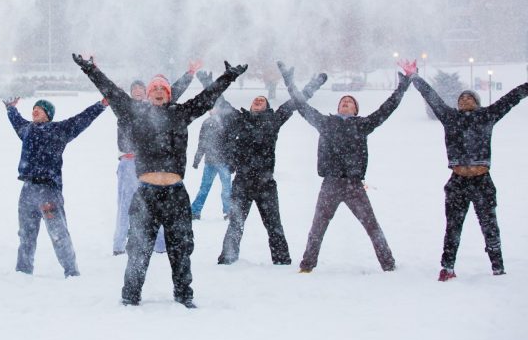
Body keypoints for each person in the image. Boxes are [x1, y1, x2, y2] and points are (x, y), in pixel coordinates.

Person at [75, 54, 246, 308]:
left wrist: (228, 76)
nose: (157, 91)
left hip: (175, 193)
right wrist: (91, 70)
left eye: (162, 89)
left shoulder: (180, 113)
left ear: (168, 94)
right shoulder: (137, 113)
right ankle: (130, 296)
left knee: (181, 248)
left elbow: (206, 98)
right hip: (146, 194)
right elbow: (112, 91)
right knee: (138, 249)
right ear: (149, 93)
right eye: (153, 88)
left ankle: (184, 295)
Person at [278, 60, 410, 274]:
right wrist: (289, 83)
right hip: (330, 183)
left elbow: (387, 109)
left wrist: (402, 86)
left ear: (356, 110)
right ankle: (307, 265)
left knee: (372, 226)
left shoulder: (362, 124)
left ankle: (388, 264)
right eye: (343, 101)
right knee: (317, 228)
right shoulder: (325, 123)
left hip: (354, 185)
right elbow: (301, 105)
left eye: (350, 101)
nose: (346, 103)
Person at [403, 59, 528, 281]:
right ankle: (447, 268)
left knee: (490, 227)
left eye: (470, 97)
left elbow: (511, 98)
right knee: (453, 228)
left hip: (482, 181)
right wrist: (414, 77)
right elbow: (431, 97)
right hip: (457, 182)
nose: (465, 99)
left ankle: (498, 268)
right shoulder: (450, 117)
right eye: (462, 98)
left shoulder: (487, 115)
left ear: (478, 103)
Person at [199, 70, 327, 266]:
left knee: (274, 224)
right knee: (236, 223)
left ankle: (281, 259)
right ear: (250, 106)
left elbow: (297, 102)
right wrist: (207, 80)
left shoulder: (274, 119)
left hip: (266, 183)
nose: (258, 101)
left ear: (267, 107)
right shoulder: (239, 119)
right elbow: (220, 101)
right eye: (256, 100)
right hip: (242, 181)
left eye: (262, 100)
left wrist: (315, 82)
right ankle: (228, 258)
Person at [4, 96, 106, 277]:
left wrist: (101, 105)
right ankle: (23, 271)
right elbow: (16, 120)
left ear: (48, 114)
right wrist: (11, 108)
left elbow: (82, 119)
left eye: (40, 109)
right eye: (34, 108)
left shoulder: (59, 130)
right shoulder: (27, 130)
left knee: (58, 234)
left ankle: (72, 272)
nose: (35, 111)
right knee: (26, 234)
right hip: (27, 190)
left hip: (48, 192)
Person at [112, 63, 199, 256]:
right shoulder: (128, 110)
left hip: (151, 166)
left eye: (140, 89)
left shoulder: (156, 108)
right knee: (127, 204)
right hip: (128, 162)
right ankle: (119, 245)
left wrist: (190, 74)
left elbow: (174, 91)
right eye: (133, 89)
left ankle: (160, 245)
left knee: (156, 204)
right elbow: (114, 97)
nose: (137, 91)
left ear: (146, 93)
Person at [189, 108, 232, 220]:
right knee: (204, 188)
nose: (212, 110)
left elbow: (232, 143)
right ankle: (195, 211)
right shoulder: (207, 123)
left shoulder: (227, 122)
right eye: (210, 108)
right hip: (210, 162)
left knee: (226, 189)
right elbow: (202, 142)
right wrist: (197, 159)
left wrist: (232, 161)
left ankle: (228, 212)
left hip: (224, 162)